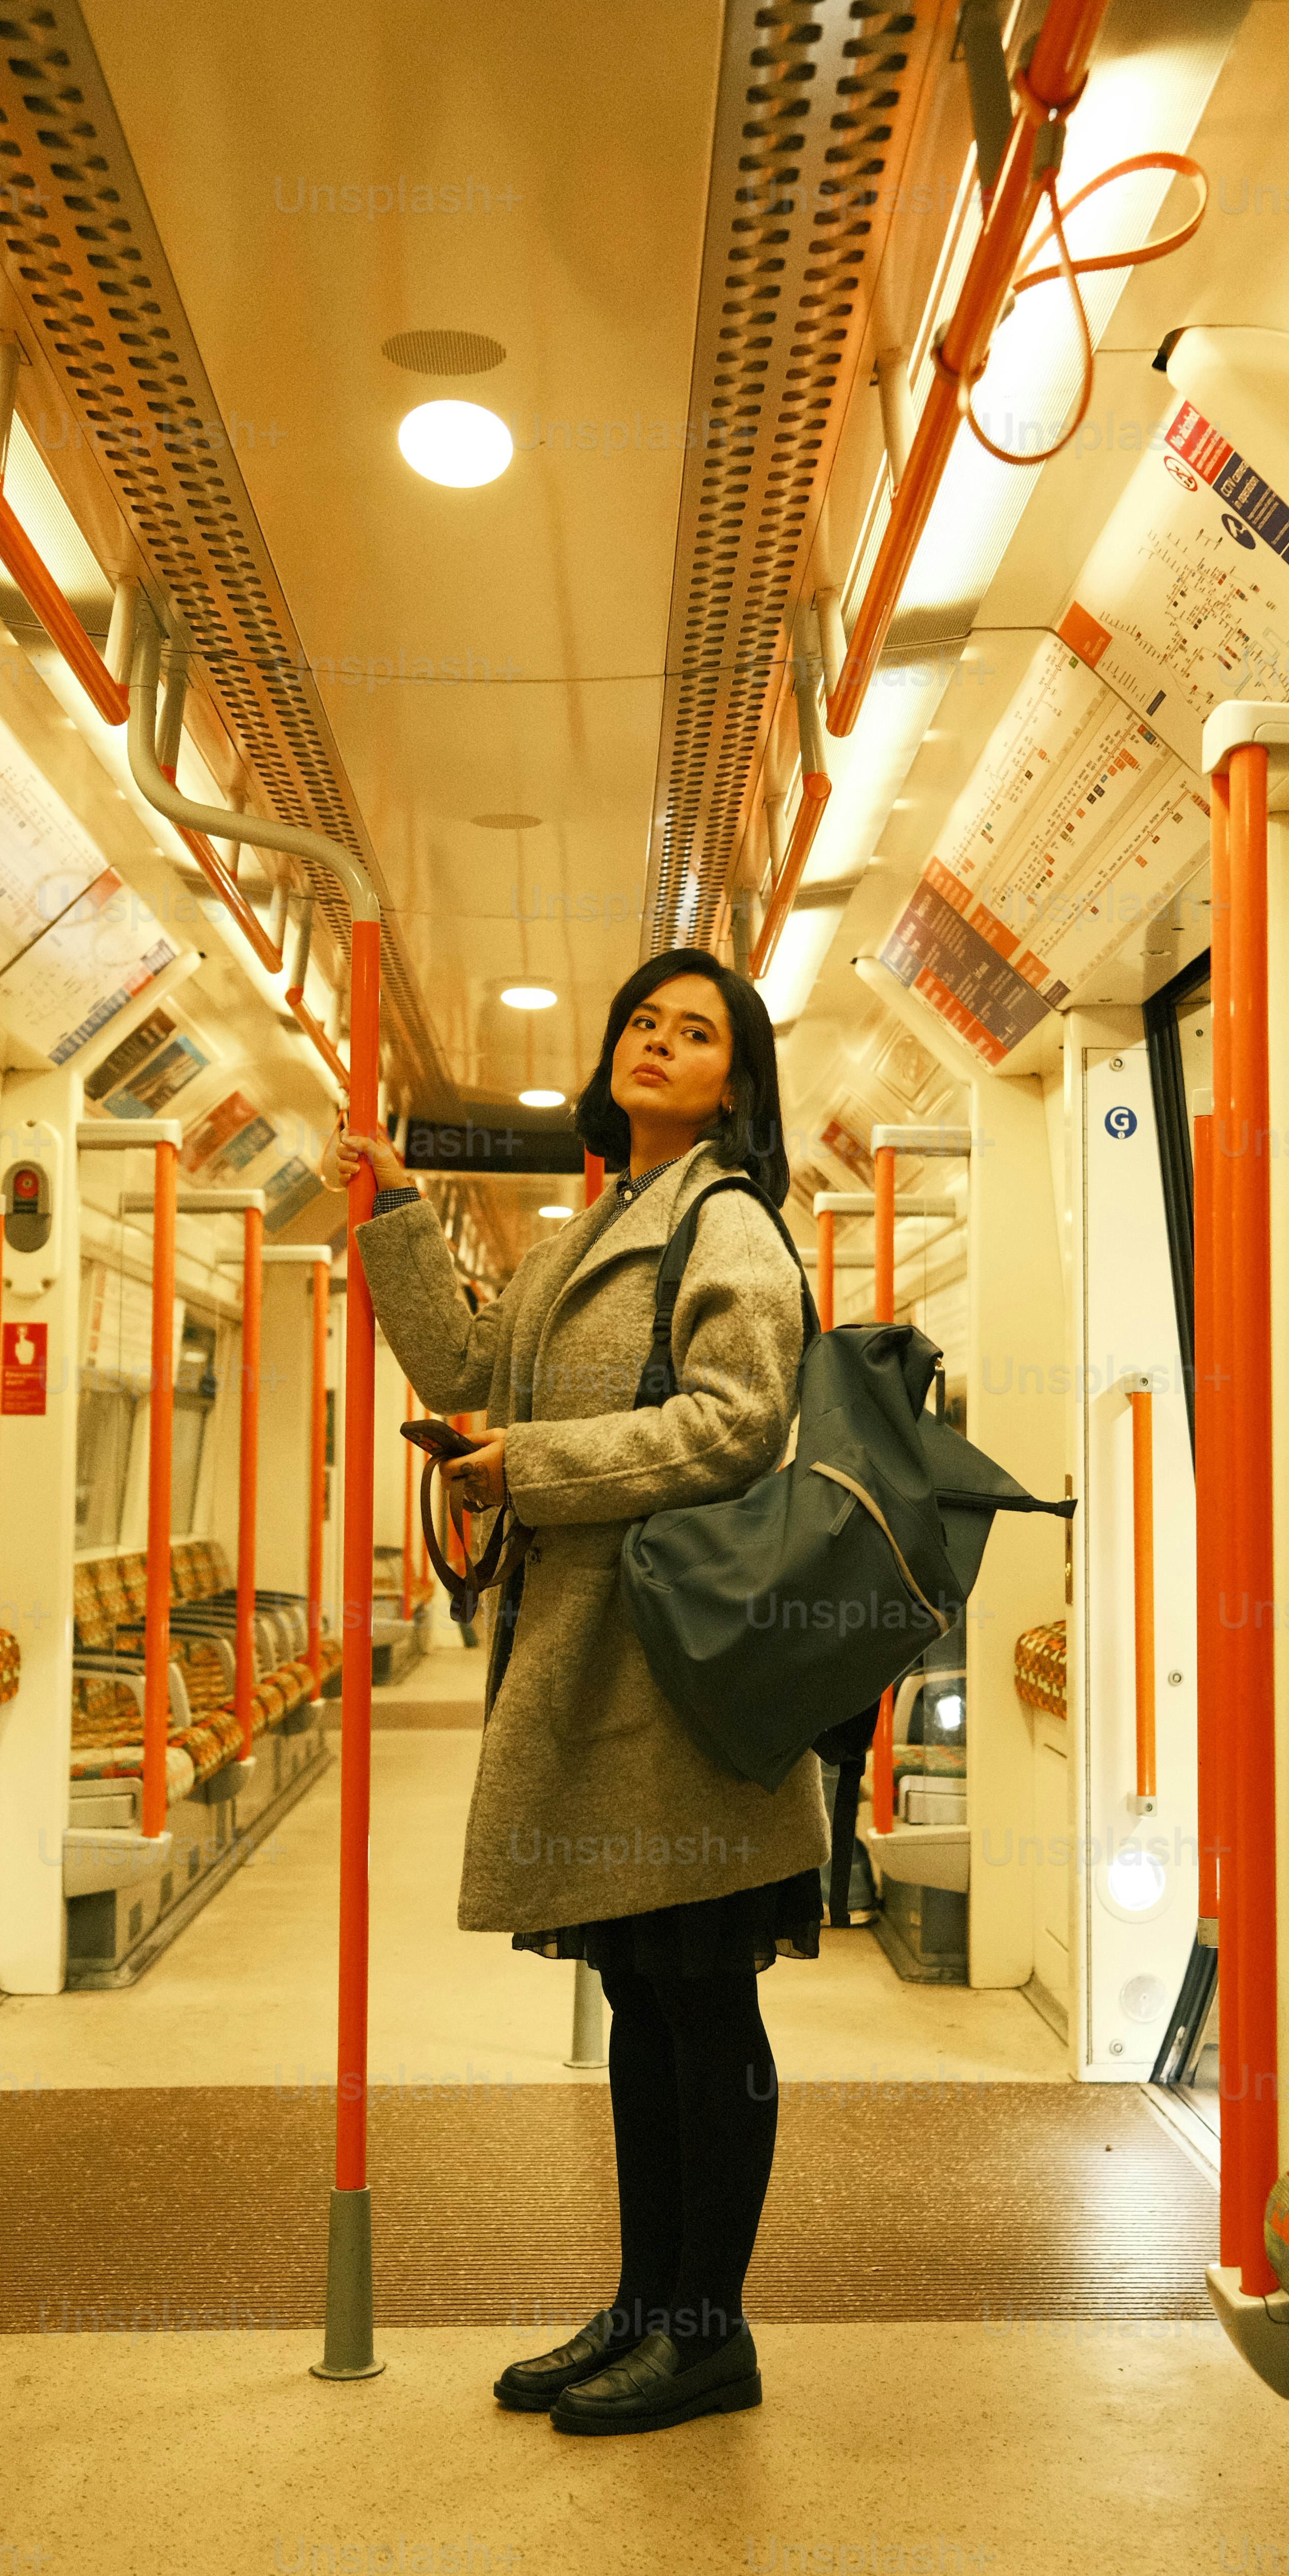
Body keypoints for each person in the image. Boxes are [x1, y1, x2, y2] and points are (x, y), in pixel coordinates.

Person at [324, 947, 827, 2436]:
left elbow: (739, 1425)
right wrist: (396, 1215)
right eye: (644, 1024)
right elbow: (473, 1357)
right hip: (600, 1662)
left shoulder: (728, 1225)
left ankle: (711, 2331)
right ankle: (644, 2305)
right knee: (642, 1998)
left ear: (735, 1082)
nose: (658, 1044)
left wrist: (530, 1471)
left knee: (702, 2000)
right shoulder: (591, 1228)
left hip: (682, 1679)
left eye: (695, 1033)